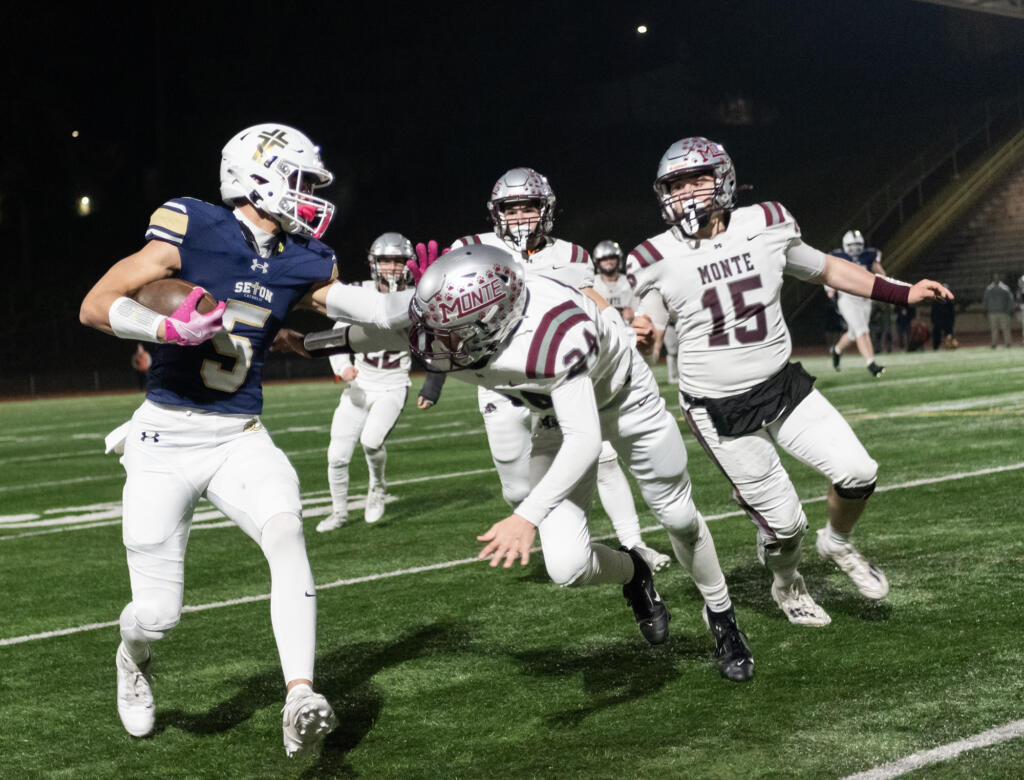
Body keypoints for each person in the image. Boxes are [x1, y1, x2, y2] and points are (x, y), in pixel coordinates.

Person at [310, 245, 755, 681]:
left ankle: (722, 616)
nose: (437, 342)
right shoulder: (461, 313)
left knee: (678, 516)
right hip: (555, 412)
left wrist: (526, 516)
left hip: (623, 399)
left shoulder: (555, 336)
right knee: (567, 567)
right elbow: (389, 324)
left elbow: (587, 441)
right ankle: (634, 571)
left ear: (491, 322)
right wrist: (312, 341)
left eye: (452, 332)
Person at [78, 123, 338, 756]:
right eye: (300, 180)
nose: (310, 197)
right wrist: (169, 330)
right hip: (164, 440)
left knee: (285, 529)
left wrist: (411, 316)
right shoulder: (192, 224)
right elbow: (94, 304)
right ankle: (131, 653)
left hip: (239, 435)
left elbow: (346, 313)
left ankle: (300, 692)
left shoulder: (305, 258)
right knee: (158, 615)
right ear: (258, 176)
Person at [629, 136, 953, 627]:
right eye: (675, 184)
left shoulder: (766, 223)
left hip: (783, 384)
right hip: (721, 408)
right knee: (786, 526)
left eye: (697, 179)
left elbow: (826, 267)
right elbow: (649, 313)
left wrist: (901, 292)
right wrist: (642, 329)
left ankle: (838, 542)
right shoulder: (654, 255)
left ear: (724, 181)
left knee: (859, 472)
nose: (686, 193)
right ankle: (787, 585)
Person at [448, 168, 670, 572]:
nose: (519, 216)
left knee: (600, 455)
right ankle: (563, 537)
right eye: (510, 209)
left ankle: (634, 546)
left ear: (545, 210)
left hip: (558, 379)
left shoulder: (572, 255)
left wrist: (622, 334)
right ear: (495, 213)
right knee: (518, 490)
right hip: (501, 384)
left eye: (528, 207)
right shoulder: (471, 248)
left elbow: (596, 303)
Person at [318, 232, 444, 531]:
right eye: (385, 261)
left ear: (408, 264)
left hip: (392, 384)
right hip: (359, 385)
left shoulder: (418, 296)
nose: (391, 267)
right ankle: (339, 511)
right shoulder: (359, 291)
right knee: (336, 455)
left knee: (371, 441)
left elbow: (436, 342)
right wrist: (342, 366)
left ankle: (377, 488)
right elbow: (337, 332)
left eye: (398, 261)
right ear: (374, 263)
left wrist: (432, 385)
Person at [826, 230, 887, 377]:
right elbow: (827, 273)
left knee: (854, 333)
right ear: (845, 245)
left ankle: (837, 350)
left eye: (858, 245)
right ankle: (871, 363)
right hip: (847, 298)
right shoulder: (836, 256)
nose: (855, 249)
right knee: (862, 331)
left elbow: (881, 274)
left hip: (865, 298)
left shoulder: (869, 255)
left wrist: (886, 285)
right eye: (851, 245)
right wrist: (830, 291)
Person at [591, 240, 637, 322]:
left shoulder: (630, 281)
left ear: (618, 259)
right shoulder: (591, 283)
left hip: (628, 328)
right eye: (604, 259)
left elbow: (641, 308)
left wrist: (634, 313)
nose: (608, 262)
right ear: (597, 262)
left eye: (612, 258)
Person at [982, 273, 1015, 348]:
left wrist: (1010, 309)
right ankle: (994, 343)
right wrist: (985, 309)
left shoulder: (1005, 288)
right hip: (993, 312)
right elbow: (985, 300)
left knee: (1005, 328)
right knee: (994, 329)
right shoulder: (989, 289)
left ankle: (1008, 343)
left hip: (1003, 312)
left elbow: (1010, 300)